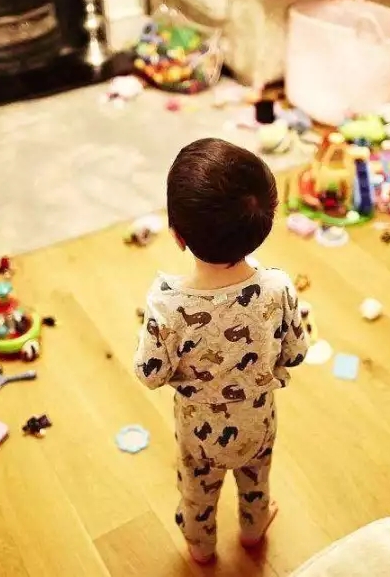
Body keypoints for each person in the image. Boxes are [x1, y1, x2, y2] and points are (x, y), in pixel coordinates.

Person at [133, 138, 309, 563]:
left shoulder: (167, 304)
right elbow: (296, 352)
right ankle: (253, 530)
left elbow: (150, 373)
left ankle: (200, 547)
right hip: (258, 420)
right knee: (256, 479)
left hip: (198, 431)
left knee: (197, 491)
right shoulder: (278, 287)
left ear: (177, 236)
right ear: (263, 224)